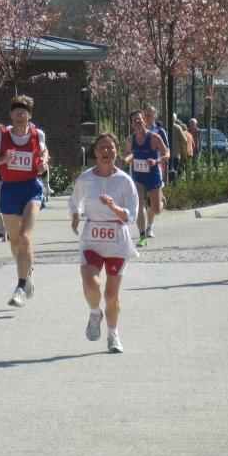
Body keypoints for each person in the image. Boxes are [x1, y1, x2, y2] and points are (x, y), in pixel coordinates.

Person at [69, 132, 139, 354]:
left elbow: (132, 215)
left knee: (110, 295)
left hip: (117, 241)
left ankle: (113, 335)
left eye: (110, 147)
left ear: (117, 151)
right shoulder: (86, 178)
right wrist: (75, 215)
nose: (106, 151)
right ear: (95, 152)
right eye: (101, 147)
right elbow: (75, 201)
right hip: (92, 238)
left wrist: (114, 208)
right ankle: (94, 312)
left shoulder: (125, 181)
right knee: (91, 284)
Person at [0, 96, 49, 308]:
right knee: (15, 241)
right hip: (9, 189)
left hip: (31, 188)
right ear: (10, 115)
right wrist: (2, 159)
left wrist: (44, 161)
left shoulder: (37, 134)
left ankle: (20, 287)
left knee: (25, 236)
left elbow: (44, 151)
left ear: (30, 116)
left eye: (23, 113)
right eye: (16, 112)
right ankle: (28, 273)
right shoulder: (0, 136)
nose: (19, 116)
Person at [123, 110, 169, 247]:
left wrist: (156, 161)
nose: (137, 121)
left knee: (156, 210)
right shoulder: (130, 140)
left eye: (139, 118)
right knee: (138, 205)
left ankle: (161, 200)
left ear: (144, 120)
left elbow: (166, 154)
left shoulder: (154, 137)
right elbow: (129, 153)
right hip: (138, 176)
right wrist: (126, 159)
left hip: (153, 176)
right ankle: (142, 237)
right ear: (132, 124)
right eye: (134, 120)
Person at [168, 113, 188, 182]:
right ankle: (173, 186)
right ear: (175, 119)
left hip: (165, 155)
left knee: (165, 173)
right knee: (174, 173)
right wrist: (184, 153)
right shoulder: (178, 128)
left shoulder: (163, 126)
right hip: (176, 155)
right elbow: (184, 141)